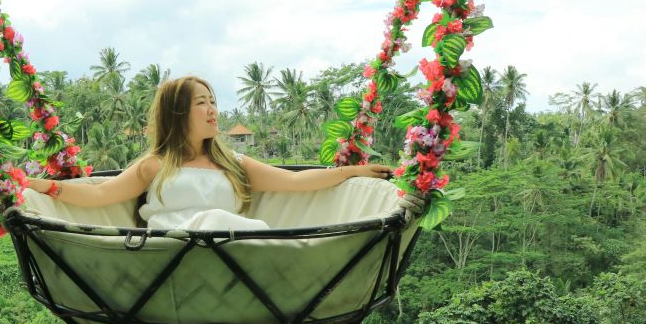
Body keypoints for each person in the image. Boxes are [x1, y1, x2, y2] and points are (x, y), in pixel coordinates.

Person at [28, 76, 419, 227]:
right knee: (213, 219)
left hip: (231, 254)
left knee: (231, 224)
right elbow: (98, 195)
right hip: (171, 255)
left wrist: (350, 172)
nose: (213, 110)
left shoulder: (233, 164)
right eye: (202, 103)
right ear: (178, 113)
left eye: (213, 101)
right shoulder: (155, 166)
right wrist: (43, 186)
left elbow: (296, 182)